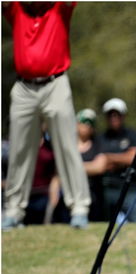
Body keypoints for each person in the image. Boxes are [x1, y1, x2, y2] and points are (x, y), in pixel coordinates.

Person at [2, 2, 91, 229]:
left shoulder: (58, 8)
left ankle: (79, 207)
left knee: (67, 147)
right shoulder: (17, 9)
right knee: (19, 150)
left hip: (56, 83)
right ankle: (13, 210)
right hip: (24, 87)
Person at [97, 98, 136, 222]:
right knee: (105, 225)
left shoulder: (132, 135)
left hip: (130, 189)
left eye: (117, 114)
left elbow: (133, 159)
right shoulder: (100, 138)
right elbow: (99, 164)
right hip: (108, 189)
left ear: (123, 116)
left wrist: (109, 157)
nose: (113, 117)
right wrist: (122, 158)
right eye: (110, 115)